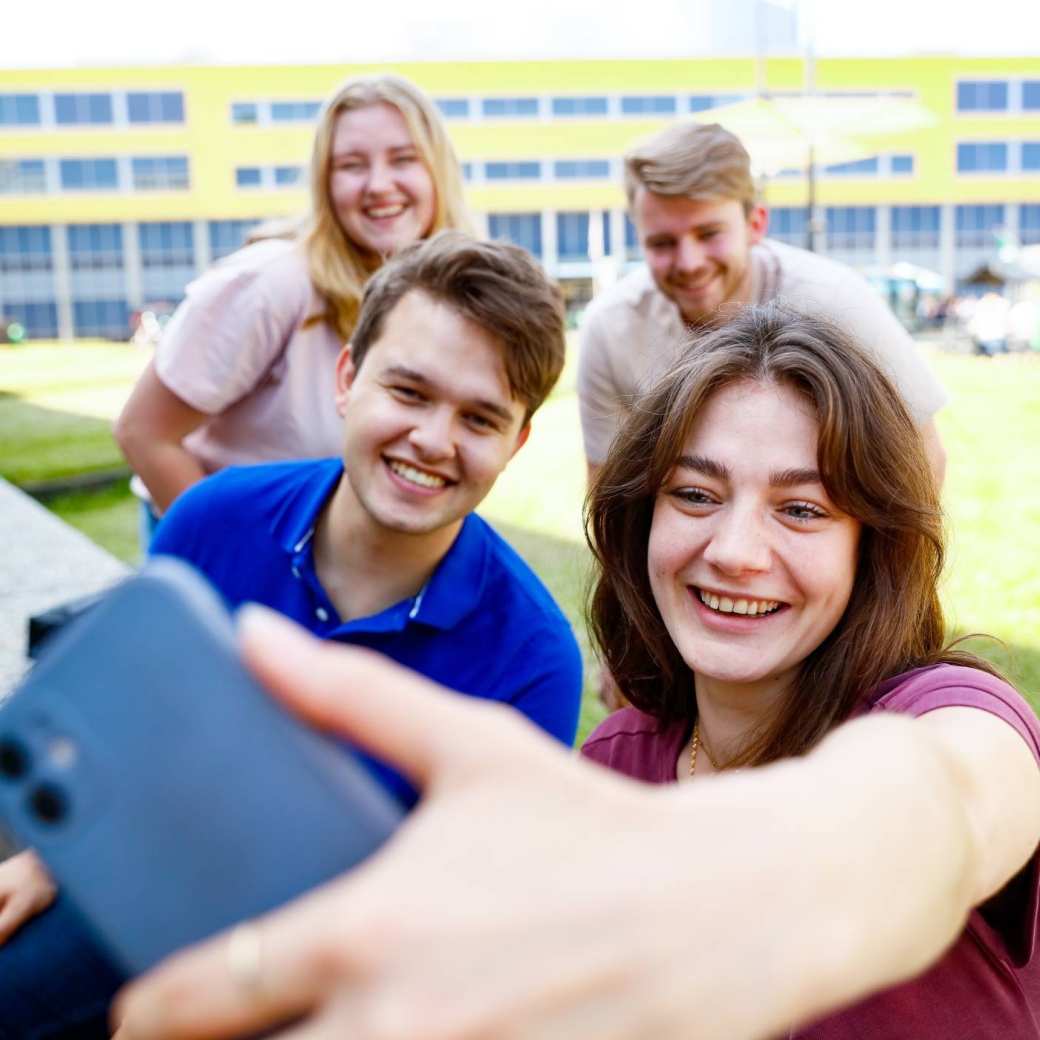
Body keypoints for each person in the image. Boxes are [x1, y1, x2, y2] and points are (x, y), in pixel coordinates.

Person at [113, 306, 1039, 1040]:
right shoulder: (613, 765)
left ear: (870, 544)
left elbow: (955, 801)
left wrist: (782, 873)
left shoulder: (949, 712)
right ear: (641, 521)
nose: (735, 550)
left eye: (801, 509)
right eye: (696, 494)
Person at [0, 232, 583, 1038]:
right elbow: (127, 736)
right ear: (347, 379)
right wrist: (45, 859)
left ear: (516, 444)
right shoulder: (215, 516)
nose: (434, 440)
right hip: (135, 890)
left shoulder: (534, 664)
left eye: (479, 417)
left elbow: (462, 926)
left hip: (325, 988)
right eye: (409, 392)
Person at [114, 73, 469, 535]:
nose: (379, 184)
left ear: (437, 171)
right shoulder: (269, 283)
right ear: (324, 182)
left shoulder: (439, 300)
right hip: (230, 548)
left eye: (403, 159)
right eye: (351, 165)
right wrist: (240, 563)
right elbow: (143, 432)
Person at [578, 120, 949, 488]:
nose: (689, 262)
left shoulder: (835, 301)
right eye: (662, 243)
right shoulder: (610, 328)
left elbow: (924, 458)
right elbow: (607, 489)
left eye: (708, 234)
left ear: (755, 223)